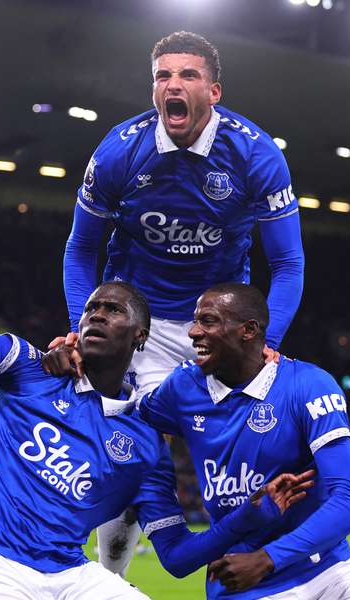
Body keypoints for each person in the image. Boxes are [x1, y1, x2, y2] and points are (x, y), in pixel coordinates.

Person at [0, 176, 314, 600]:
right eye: (91, 308)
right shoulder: (28, 367)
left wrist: (249, 515)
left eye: (112, 310)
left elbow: (178, 556)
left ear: (140, 336)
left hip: (68, 572)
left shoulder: (146, 442)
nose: (95, 315)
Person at [61, 30, 305, 575]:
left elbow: (287, 264)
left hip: (216, 326)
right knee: (129, 452)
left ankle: (272, 570)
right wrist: (83, 325)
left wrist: (269, 341)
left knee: (256, 451)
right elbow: (81, 249)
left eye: (188, 75)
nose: (173, 84)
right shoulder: (120, 150)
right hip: (137, 323)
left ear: (213, 91)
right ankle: (107, 580)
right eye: (162, 76)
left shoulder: (256, 154)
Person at [46, 283, 350, 598]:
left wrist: (269, 558)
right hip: (240, 582)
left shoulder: (309, 385)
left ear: (249, 330)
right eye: (195, 320)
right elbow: (121, 409)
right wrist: (77, 362)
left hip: (326, 572)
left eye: (208, 321)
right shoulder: (182, 388)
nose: (192, 332)